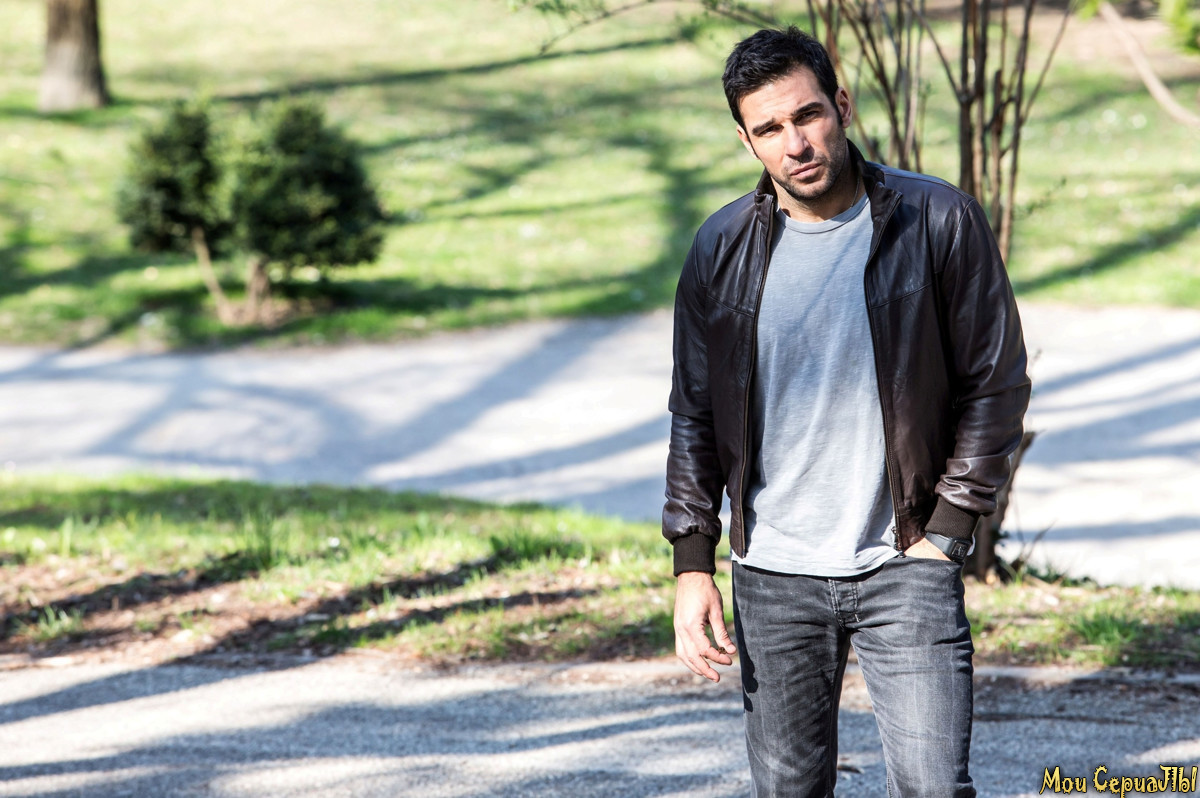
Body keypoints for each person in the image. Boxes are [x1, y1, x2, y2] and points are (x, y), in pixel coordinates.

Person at [662, 26, 1031, 798]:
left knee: (934, 787)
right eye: (769, 129)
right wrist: (693, 564)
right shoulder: (719, 248)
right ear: (745, 141)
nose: (795, 143)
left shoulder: (936, 221)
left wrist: (947, 532)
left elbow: (995, 385)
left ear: (843, 105)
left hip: (906, 565)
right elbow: (695, 413)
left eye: (807, 115)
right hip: (773, 576)